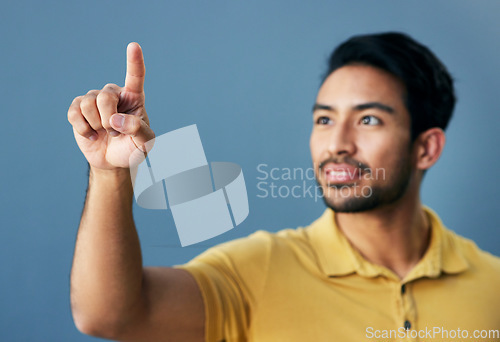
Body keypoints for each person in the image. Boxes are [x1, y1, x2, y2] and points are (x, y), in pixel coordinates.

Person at [68, 32, 500, 342]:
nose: (337, 144)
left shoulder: (492, 286)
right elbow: (110, 317)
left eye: (369, 120)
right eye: (324, 119)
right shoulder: (258, 271)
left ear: (427, 148)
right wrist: (110, 174)